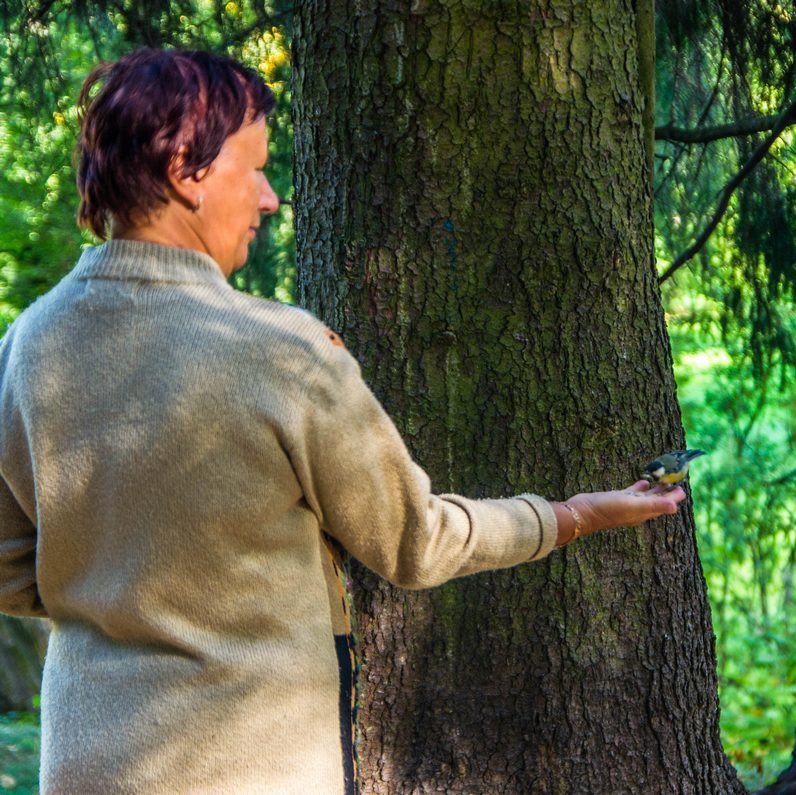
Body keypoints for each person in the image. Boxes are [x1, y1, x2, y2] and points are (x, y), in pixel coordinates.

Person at [0, 48, 686, 794]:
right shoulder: (279, 352)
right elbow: (413, 542)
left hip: (82, 765)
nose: (269, 198)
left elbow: (8, 566)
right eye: (253, 167)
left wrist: (119, 590)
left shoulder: (28, 343)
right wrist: (573, 514)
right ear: (185, 170)